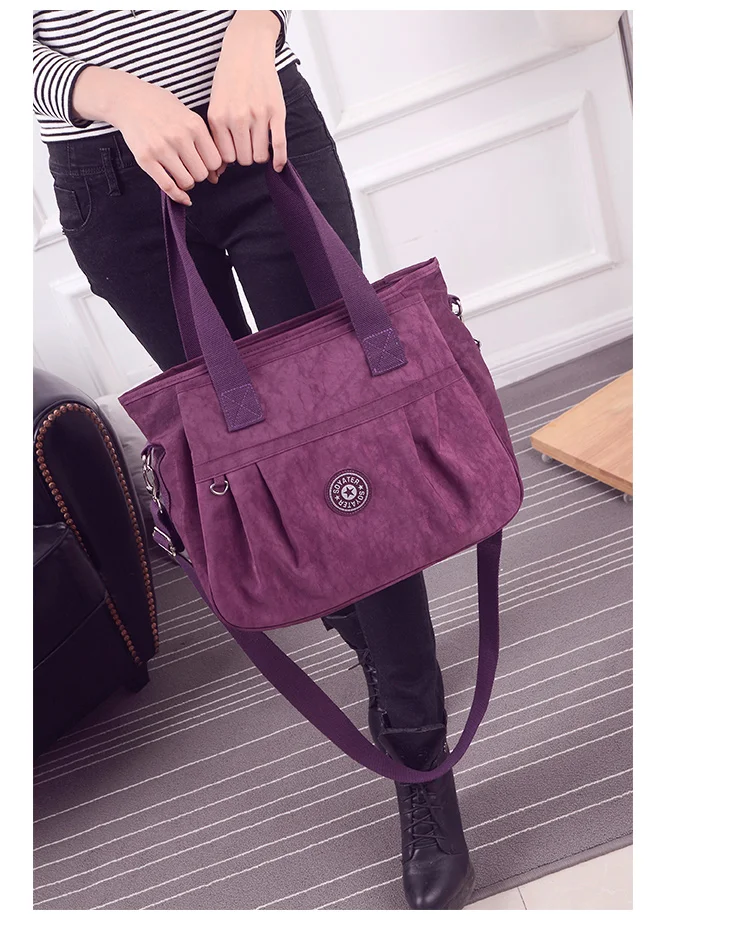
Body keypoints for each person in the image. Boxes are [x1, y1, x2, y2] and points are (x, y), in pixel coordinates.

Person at [33, 10, 474, 910]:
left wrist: (251, 32)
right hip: (114, 171)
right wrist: (106, 93)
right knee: (246, 457)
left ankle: (419, 755)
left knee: (350, 452)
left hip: (256, 114)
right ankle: (367, 630)